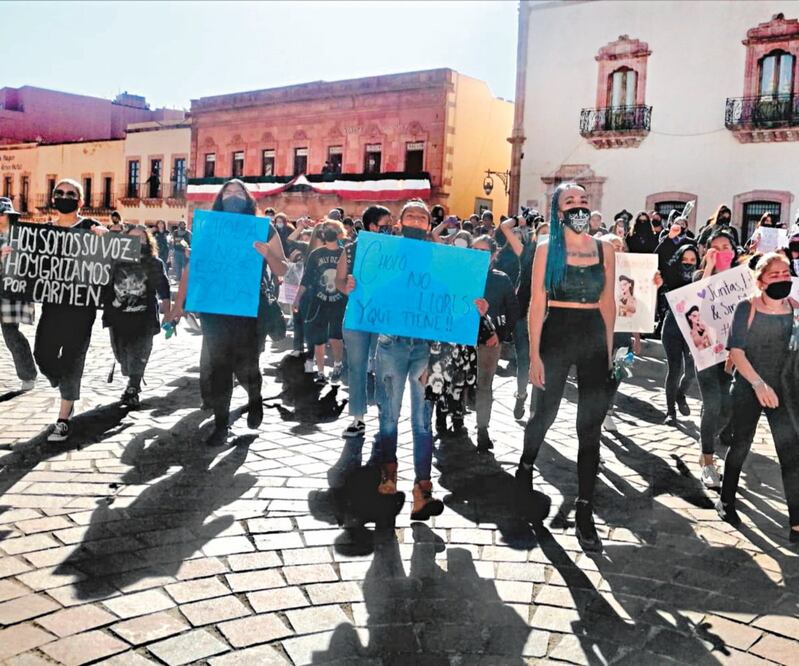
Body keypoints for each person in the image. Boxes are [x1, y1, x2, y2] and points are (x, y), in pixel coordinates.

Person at [516, 182, 616, 553]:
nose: (578, 207)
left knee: (589, 427)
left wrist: (607, 356)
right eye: (569, 202)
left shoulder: (605, 249)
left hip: (591, 334)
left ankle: (585, 508)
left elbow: (609, 306)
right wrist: (535, 357)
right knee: (544, 413)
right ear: (558, 212)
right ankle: (525, 467)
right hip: (557, 332)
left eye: (583, 201)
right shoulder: (547, 248)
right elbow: (537, 303)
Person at [171, 179, 287, 446]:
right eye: (228, 192)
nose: (233, 196)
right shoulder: (209, 227)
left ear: (248, 199)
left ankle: (254, 398)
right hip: (216, 308)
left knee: (247, 364)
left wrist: (268, 253)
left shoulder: (264, 228)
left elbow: (282, 270)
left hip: (249, 309)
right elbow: (192, 267)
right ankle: (221, 425)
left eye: (238, 192)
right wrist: (179, 304)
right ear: (219, 199)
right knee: (219, 366)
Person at [367, 200, 462, 520]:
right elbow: (369, 291)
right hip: (392, 344)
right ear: (401, 220)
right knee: (389, 415)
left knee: (423, 422)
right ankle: (388, 475)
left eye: (423, 216)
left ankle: (423, 490)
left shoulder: (442, 259)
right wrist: (354, 286)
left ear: (428, 223)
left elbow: (454, 297)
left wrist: (473, 305)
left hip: (428, 348)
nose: (418, 219)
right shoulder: (384, 253)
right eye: (412, 214)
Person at [718, 252, 799, 543]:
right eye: (775, 275)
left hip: (785, 392)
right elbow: (736, 351)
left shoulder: (796, 310)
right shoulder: (746, 308)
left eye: (785, 273)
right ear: (761, 281)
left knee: (791, 454)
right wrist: (758, 385)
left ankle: (797, 521)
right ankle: (726, 499)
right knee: (740, 444)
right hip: (749, 386)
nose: (782, 279)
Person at [32, 179, 108, 441]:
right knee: (42, 354)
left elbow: (110, 259)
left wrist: (105, 240)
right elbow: (30, 266)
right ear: (54, 198)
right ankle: (63, 383)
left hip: (81, 308)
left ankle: (63, 418)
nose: (65, 196)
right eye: (60, 193)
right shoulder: (43, 231)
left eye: (71, 194)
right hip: (52, 307)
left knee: (73, 360)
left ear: (81, 201)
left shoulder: (91, 228)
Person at [337, 205, 393, 437]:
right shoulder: (350, 251)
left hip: (382, 318)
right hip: (357, 316)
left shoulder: (394, 252)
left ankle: (384, 412)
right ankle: (358, 418)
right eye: (386, 226)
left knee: (384, 367)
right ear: (372, 226)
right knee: (357, 368)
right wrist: (346, 286)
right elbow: (339, 281)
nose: (390, 230)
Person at [103, 225, 171, 408]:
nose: (137, 242)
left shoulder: (154, 263)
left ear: (147, 242)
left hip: (144, 318)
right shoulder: (113, 261)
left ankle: (133, 387)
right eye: (132, 238)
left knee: (139, 352)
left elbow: (163, 286)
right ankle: (131, 375)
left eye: (141, 238)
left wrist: (168, 307)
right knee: (122, 355)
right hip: (117, 317)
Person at [693, 228, 740, 488]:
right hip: (705, 350)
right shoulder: (700, 276)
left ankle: (707, 442)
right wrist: (710, 268)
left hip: (732, 352)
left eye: (726, 247)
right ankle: (709, 461)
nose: (721, 252)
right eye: (716, 247)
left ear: (733, 252)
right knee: (712, 404)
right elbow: (695, 302)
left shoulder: (744, 279)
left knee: (728, 407)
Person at [472, 235, 520, 450]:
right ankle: (448, 421)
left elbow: (513, 311)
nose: (479, 256)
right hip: (459, 339)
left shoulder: (501, 280)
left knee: (484, 385)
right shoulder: (459, 275)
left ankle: (482, 429)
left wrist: (499, 335)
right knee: (454, 382)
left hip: (488, 340)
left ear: (493, 255)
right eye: (475, 250)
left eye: (484, 252)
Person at [295, 219, 346, 383]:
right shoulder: (315, 254)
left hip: (340, 301)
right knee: (318, 338)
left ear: (339, 232)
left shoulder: (345, 253)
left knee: (336, 337)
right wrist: (297, 298)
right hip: (318, 301)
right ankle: (321, 372)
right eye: (325, 228)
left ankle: (338, 365)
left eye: (331, 227)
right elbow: (306, 278)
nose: (327, 230)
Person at [660, 245, 700, 424]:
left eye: (692, 260)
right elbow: (659, 255)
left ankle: (680, 394)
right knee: (674, 369)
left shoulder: (701, 276)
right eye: (685, 260)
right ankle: (670, 412)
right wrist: (669, 238)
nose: (688, 263)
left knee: (691, 371)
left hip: (693, 326)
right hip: (672, 326)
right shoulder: (671, 274)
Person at [0, 197, 37, 392]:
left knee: (11, 334)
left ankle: (28, 375)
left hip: (13, 291)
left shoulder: (24, 235)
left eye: (2, 213)